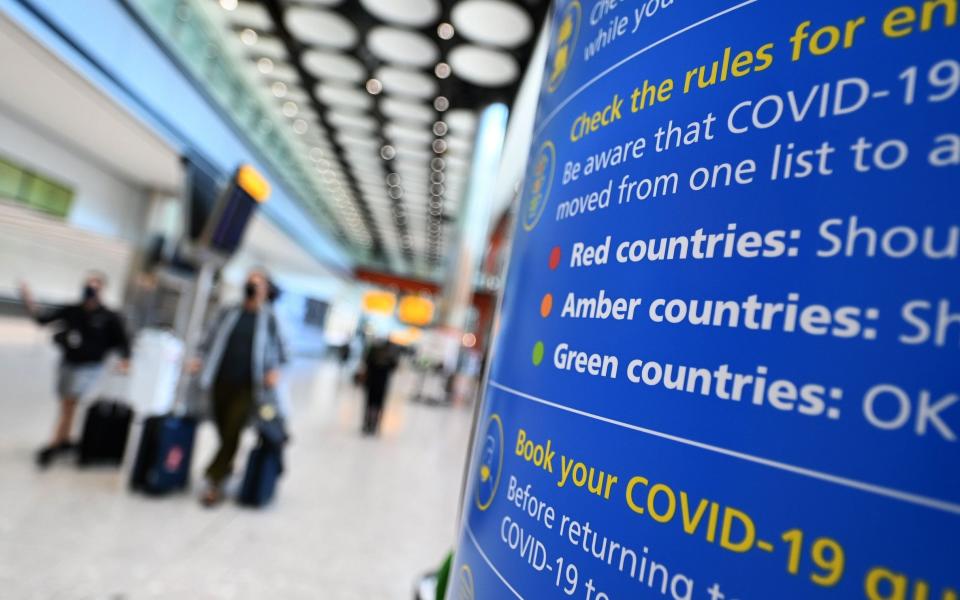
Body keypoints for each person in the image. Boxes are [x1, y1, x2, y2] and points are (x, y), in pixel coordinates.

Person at [188, 269, 287, 507]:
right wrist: (198, 357)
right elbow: (209, 337)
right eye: (249, 283)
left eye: (258, 284)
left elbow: (282, 350)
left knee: (233, 429)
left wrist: (273, 370)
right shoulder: (229, 311)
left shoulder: (270, 318)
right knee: (222, 427)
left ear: (266, 290)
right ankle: (226, 465)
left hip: (249, 386)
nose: (252, 287)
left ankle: (215, 480)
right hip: (220, 378)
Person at [19, 272, 130, 467]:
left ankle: (56, 441)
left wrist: (126, 360)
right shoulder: (72, 310)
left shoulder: (109, 316)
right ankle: (64, 438)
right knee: (66, 404)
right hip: (68, 364)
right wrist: (29, 300)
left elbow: (122, 341)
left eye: (95, 287)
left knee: (70, 403)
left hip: (90, 367)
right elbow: (42, 319)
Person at [358, 338, 399, 435]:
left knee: (374, 403)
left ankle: (372, 423)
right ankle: (370, 423)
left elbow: (393, 366)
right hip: (376, 381)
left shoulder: (387, 351)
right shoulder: (383, 350)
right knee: (372, 403)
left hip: (379, 381)